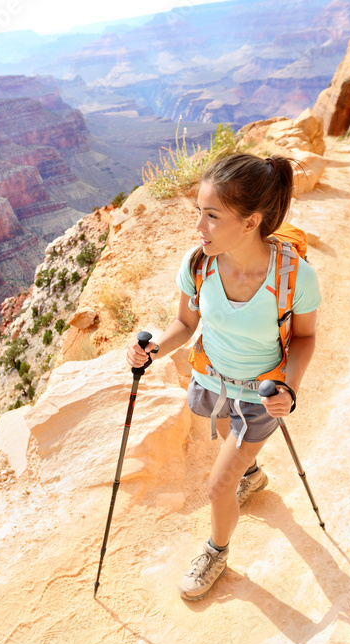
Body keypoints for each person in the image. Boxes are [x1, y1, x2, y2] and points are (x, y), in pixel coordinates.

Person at [125, 152, 320, 601]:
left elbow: (305, 340)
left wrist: (290, 387)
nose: (199, 228)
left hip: (261, 396)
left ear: (251, 221)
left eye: (212, 216)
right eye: (199, 213)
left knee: (218, 486)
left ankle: (216, 551)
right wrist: (153, 348)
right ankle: (251, 473)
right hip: (212, 383)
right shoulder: (198, 264)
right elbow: (186, 324)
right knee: (230, 449)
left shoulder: (295, 278)